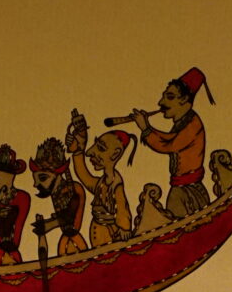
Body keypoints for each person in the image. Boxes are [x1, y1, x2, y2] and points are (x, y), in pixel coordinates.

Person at [121, 68, 213, 223]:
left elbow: (168, 146)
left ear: (184, 99)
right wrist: (147, 127)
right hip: (182, 188)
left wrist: (146, 129)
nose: (161, 103)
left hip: (188, 191)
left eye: (169, 97)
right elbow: (168, 138)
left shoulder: (192, 124)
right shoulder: (183, 122)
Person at [72, 119, 138, 249]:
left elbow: (122, 209)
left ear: (115, 154)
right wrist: (79, 149)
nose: (90, 152)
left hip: (111, 237)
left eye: (101, 148)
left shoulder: (115, 184)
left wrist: (125, 228)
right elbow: (83, 175)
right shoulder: (101, 183)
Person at [29, 134, 87, 255]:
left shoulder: (73, 189)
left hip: (75, 242)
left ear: (57, 175)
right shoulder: (56, 191)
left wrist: (50, 225)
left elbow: (70, 217)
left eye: (43, 178)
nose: (36, 184)